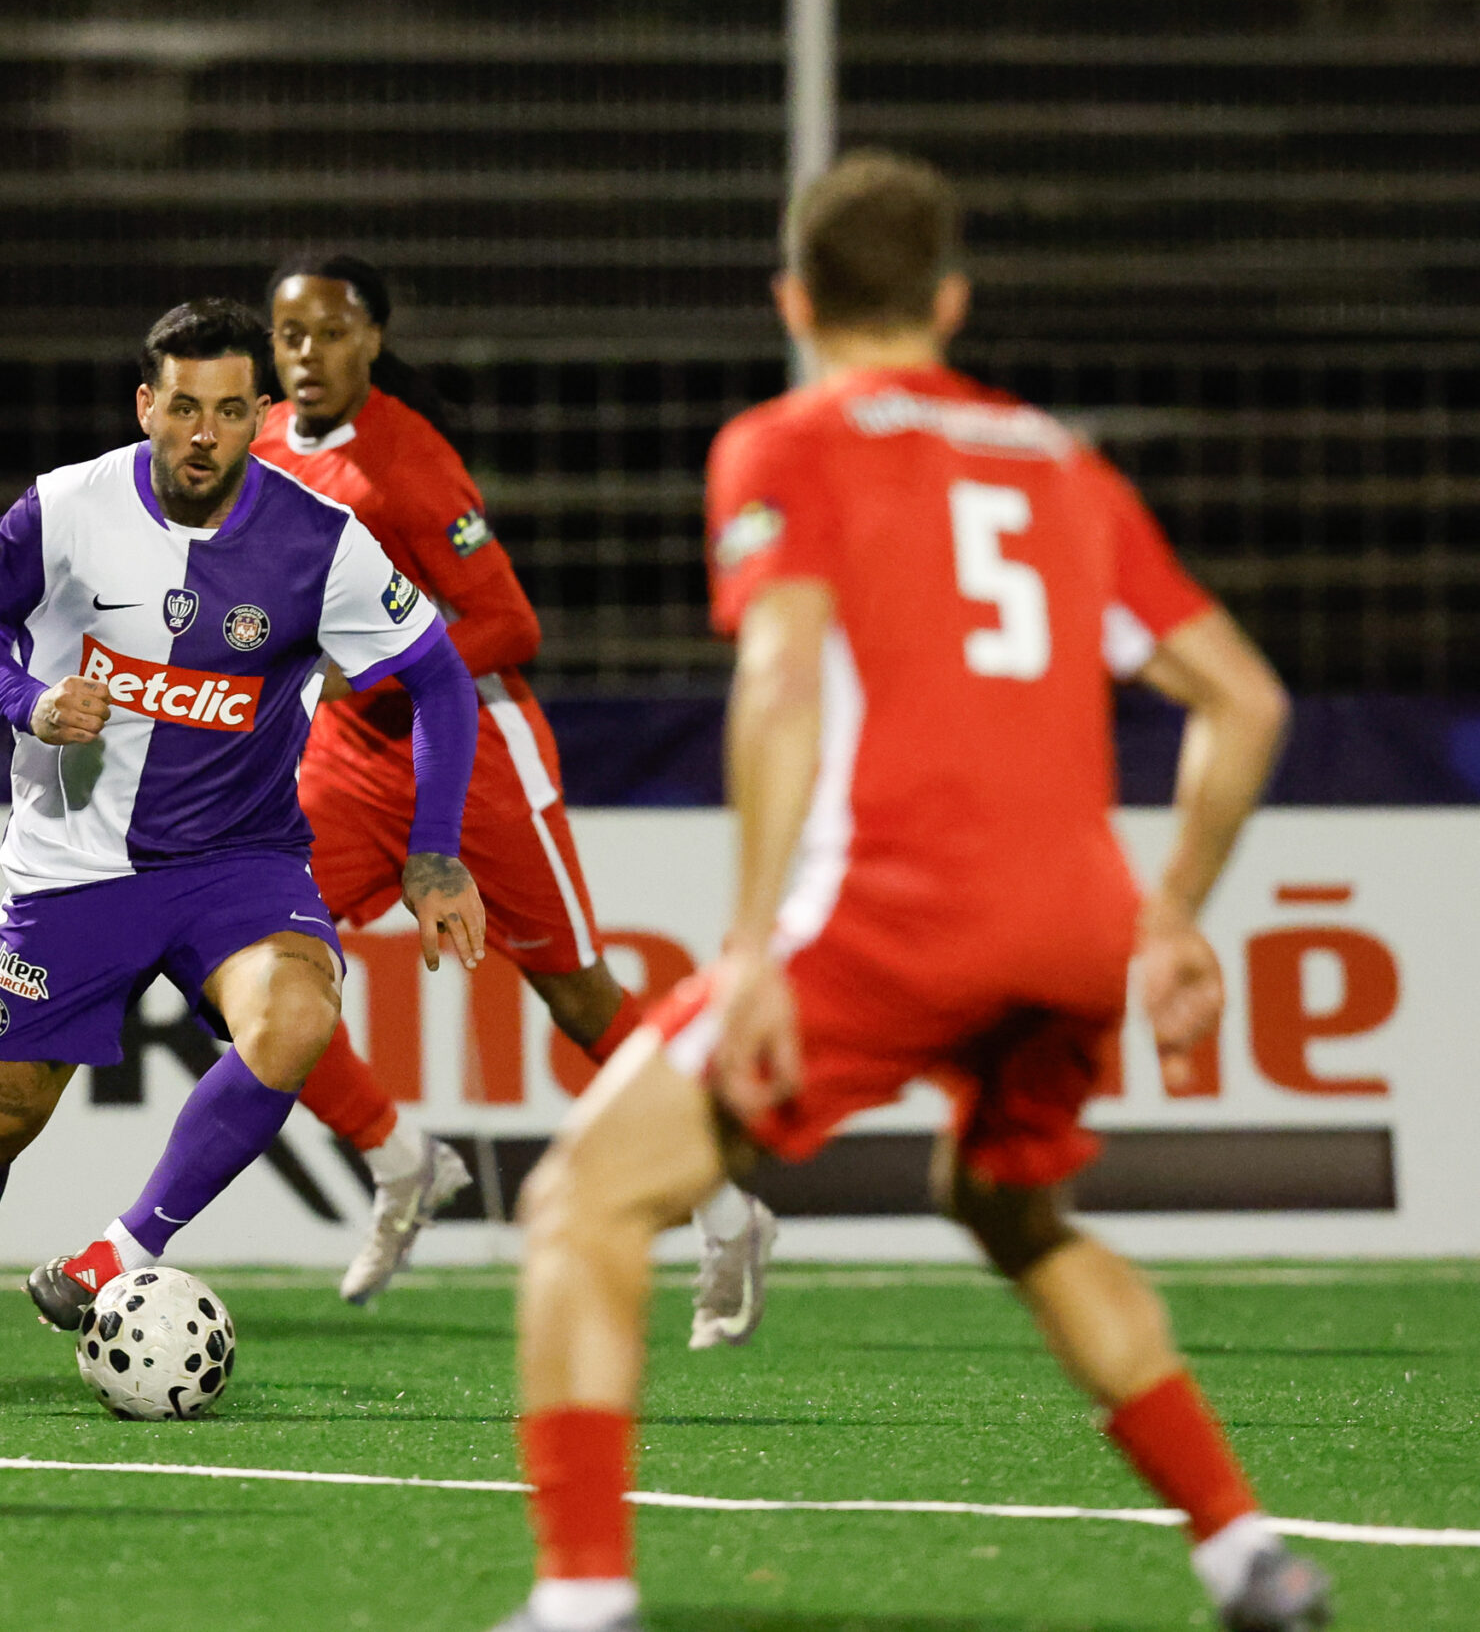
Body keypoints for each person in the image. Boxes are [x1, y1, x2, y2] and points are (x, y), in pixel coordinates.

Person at [493, 152, 1326, 1632]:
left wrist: (751, 947)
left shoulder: (783, 442)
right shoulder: (1062, 462)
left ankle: (581, 1599)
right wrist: (1175, 905)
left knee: (579, 1201)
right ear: (950, 299)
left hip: (894, 911)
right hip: (1074, 921)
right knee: (1012, 1203)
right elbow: (1246, 701)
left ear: (795, 301)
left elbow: (780, 675)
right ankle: (1245, 1549)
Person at [0, 299, 487, 1412]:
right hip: (75, 868)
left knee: (296, 1017)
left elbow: (440, 679)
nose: (202, 434)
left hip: (239, 860)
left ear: (258, 415)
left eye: (230, 411)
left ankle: (118, 1255)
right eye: (182, 407)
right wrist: (27, 700)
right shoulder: (69, 505)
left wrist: (433, 856)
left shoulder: (317, 540)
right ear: (147, 403)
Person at [256, 254, 778, 1329]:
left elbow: (509, 624)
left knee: (577, 999)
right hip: (346, 761)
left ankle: (726, 1213)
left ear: (373, 339)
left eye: (333, 332)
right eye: (290, 333)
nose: (309, 354)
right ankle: (401, 1158)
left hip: (473, 748)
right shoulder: (261, 445)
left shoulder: (407, 462)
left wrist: (372, 665)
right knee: (245, 965)